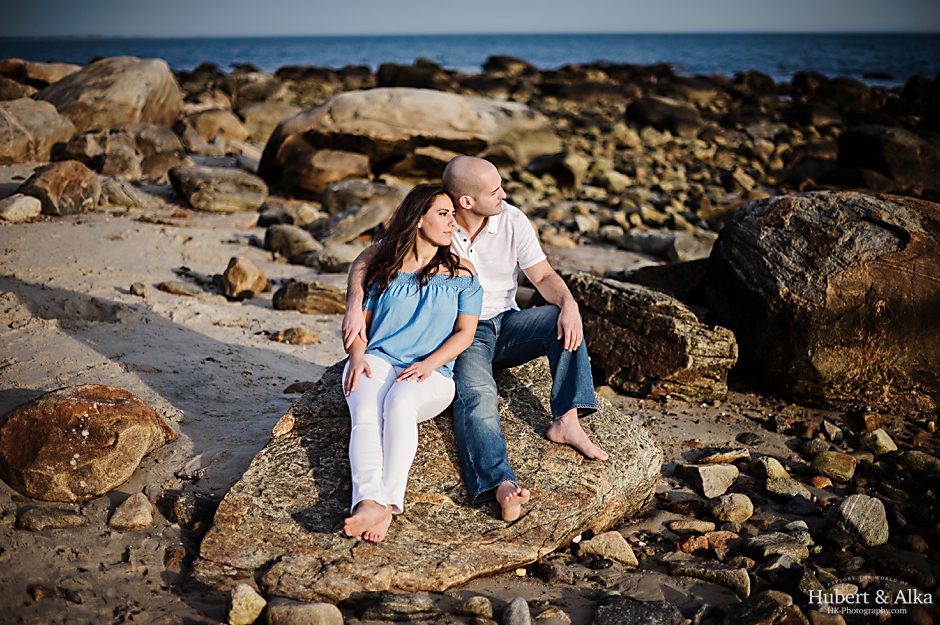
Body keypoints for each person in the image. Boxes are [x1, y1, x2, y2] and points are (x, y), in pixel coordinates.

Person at [343, 156, 608, 524]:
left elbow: (543, 275)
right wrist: (355, 304)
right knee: (478, 394)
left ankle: (567, 419)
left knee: (559, 322)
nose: (504, 194)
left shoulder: (512, 219)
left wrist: (569, 304)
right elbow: (370, 257)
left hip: (509, 321)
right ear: (465, 201)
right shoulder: (439, 225)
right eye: (494, 190)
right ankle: (499, 482)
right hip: (467, 333)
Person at [342, 183, 482, 543]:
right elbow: (363, 327)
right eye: (443, 214)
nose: (454, 222)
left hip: (433, 372)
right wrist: (357, 357)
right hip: (378, 358)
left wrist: (429, 364)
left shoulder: (462, 275)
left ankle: (388, 503)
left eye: (453, 214)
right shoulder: (385, 268)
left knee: (400, 402)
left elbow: (465, 334)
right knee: (367, 411)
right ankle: (367, 503)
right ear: (419, 220)